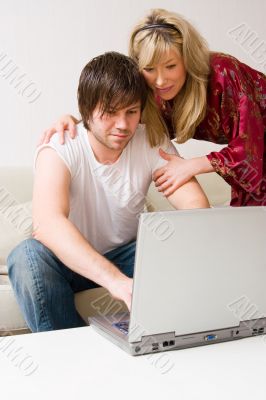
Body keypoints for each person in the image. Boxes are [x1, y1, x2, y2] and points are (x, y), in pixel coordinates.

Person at [7, 52, 209, 332]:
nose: (123, 125)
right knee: (25, 256)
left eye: (131, 111)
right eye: (110, 112)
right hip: (67, 262)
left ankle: (175, 336)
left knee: (175, 240)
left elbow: (195, 208)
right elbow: (48, 225)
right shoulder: (61, 146)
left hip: (126, 255)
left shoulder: (150, 140)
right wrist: (115, 282)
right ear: (87, 110)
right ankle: (71, 348)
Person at [42, 9, 266, 206]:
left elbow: (251, 146)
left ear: (187, 59)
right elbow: (118, 122)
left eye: (170, 66)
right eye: (149, 68)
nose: (160, 81)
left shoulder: (223, 72)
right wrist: (76, 121)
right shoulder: (151, 95)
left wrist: (193, 165)